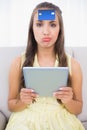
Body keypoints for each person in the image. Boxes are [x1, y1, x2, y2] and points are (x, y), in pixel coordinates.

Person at [5, 2, 85, 130]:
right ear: (32, 28)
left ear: (60, 29)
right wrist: (22, 101)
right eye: (39, 24)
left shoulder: (73, 65)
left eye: (52, 25)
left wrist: (68, 100)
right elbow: (11, 104)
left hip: (61, 119)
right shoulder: (18, 62)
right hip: (27, 120)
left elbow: (78, 108)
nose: (46, 32)